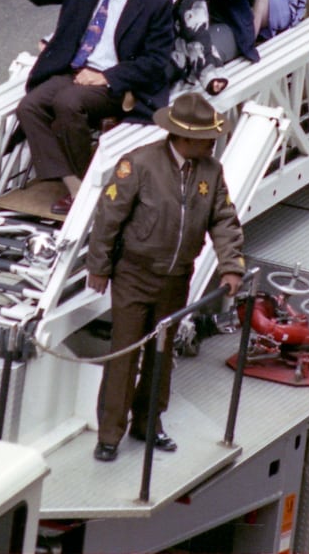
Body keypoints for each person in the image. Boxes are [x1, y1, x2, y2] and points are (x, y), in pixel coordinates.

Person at [85, 91, 245, 462]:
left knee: (161, 353)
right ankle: (110, 434)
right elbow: (108, 219)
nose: (212, 143)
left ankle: (148, 422)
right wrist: (99, 267)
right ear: (183, 137)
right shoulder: (138, 165)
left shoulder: (211, 172)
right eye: (206, 138)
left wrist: (230, 265)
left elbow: (223, 220)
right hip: (134, 276)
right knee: (124, 354)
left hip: (176, 278)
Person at [8, 0, 175, 214]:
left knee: (68, 103)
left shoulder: (154, 2)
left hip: (113, 84)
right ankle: (77, 185)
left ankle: (84, 187)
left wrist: (107, 77)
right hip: (72, 70)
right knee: (30, 107)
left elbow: (156, 62)